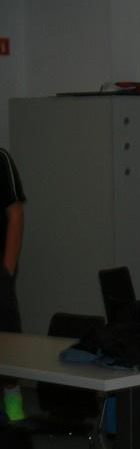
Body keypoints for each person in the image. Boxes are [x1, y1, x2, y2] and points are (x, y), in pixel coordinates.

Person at [0, 148, 26, 422]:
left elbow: (15, 214)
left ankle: (13, 400)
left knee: (8, 341)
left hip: (0, 272)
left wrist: (7, 270)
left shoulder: (1, 159)